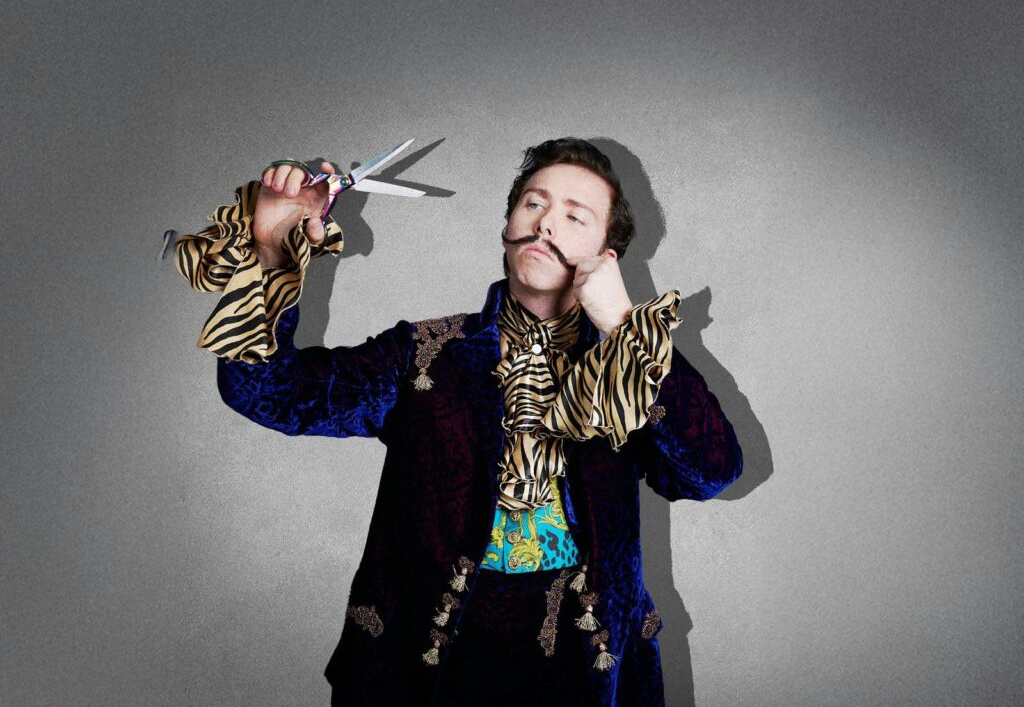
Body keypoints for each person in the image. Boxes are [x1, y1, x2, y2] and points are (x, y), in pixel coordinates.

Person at [176, 138, 743, 706]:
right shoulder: (424, 354)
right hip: (426, 670)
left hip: (588, 671)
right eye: (533, 203)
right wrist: (270, 247)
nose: (545, 223)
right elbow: (267, 392)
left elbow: (711, 471)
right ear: (507, 227)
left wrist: (625, 327)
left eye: (575, 217)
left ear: (606, 256)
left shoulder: (628, 373)